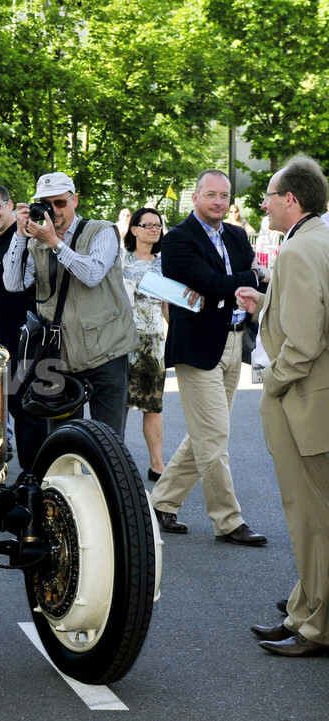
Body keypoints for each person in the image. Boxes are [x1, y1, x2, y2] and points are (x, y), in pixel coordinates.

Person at [236, 156, 329, 656]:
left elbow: (304, 342)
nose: (263, 204)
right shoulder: (317, 239)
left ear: (290, 199)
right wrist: (265, 305)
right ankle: (303, 610)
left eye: (269, 196)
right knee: (315, 519)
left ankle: (317, 627)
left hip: (305, 404)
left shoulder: (297, 249)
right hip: (315, 402)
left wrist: (271, 381)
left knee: (312, 522)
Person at [150, 169, 268, 545]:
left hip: (234, 342)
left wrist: (241, 280)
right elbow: (214, 284)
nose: (219, 202)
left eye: (224, 195)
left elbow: (237, 284)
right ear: (196, 197)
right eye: (211, 194)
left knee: (205, 434)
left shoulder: (237, 235)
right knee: (214, 435)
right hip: (197, 347)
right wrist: (249, 277)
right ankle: (228, 520)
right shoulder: (177, 239)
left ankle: (162, 502)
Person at [2, 171, 137, 437]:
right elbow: (13, 284)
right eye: (46, 204)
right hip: (57, 354)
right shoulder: (35, 241)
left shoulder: (102, 230)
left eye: (60, 202)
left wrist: (54, 243)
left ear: (74, 200)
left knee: (108, 439)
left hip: (107, 350)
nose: (53, 210)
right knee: (61, 438)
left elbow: (92, 274)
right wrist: (19, 235)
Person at [0, 184, 43, 469]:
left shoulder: (24, 237)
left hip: (26, 341)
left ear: (10, 205)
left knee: (27, 411)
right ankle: (30, 476)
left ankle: (34, 478)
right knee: (17, 408)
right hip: (5, 342)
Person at [121, 207, 169, 482]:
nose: (154, 229)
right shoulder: (120, 260)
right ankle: (113, 463)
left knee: (152, 406)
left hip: (152, 344)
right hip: (120, 342)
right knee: (119, 406)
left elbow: (167, 307)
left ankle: (157, 464)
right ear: (134, 229)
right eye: (147, 225)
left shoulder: (164, 264)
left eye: (157, 225)